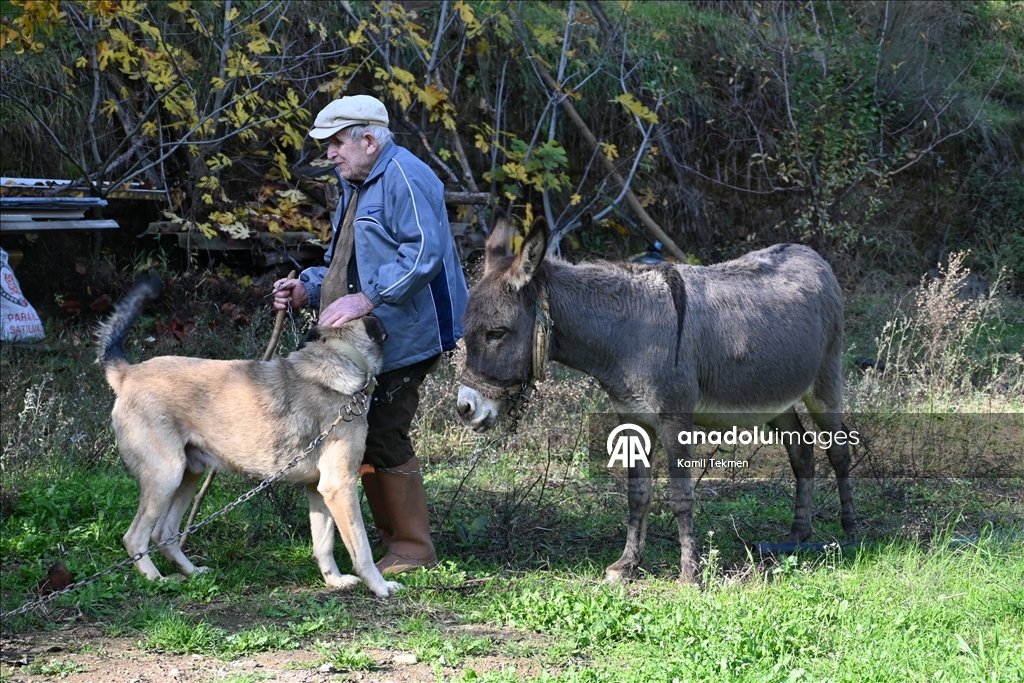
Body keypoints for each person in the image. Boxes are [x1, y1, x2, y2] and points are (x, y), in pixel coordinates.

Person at [272, 94, 468, 574]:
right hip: (367, 336)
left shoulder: (405, 175)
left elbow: (423, 254)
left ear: (368, 139)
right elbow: (348, 262)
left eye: (337, 143)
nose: (331, 155)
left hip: (407, 331)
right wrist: (308, 287)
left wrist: (369, 299)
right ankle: (386, 543)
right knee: (356, 429)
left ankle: (412, 547)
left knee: (381, 428)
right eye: (328, 146)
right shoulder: (355, 181)